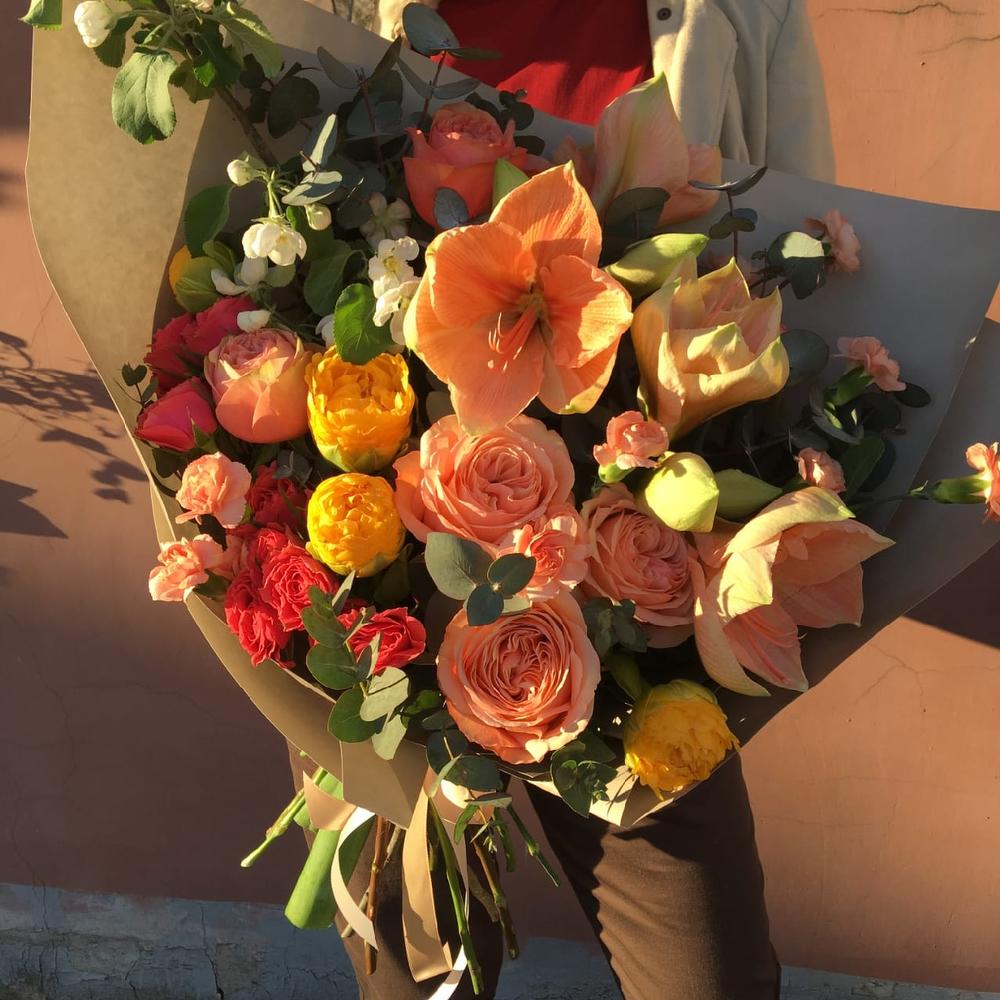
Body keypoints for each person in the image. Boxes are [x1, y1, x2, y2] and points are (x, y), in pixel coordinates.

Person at [325, 3, 836, 997]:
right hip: (373, 583)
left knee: (710, 977)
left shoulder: (741, 11)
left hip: (644, 605)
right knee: (410, 971)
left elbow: (807, 244)